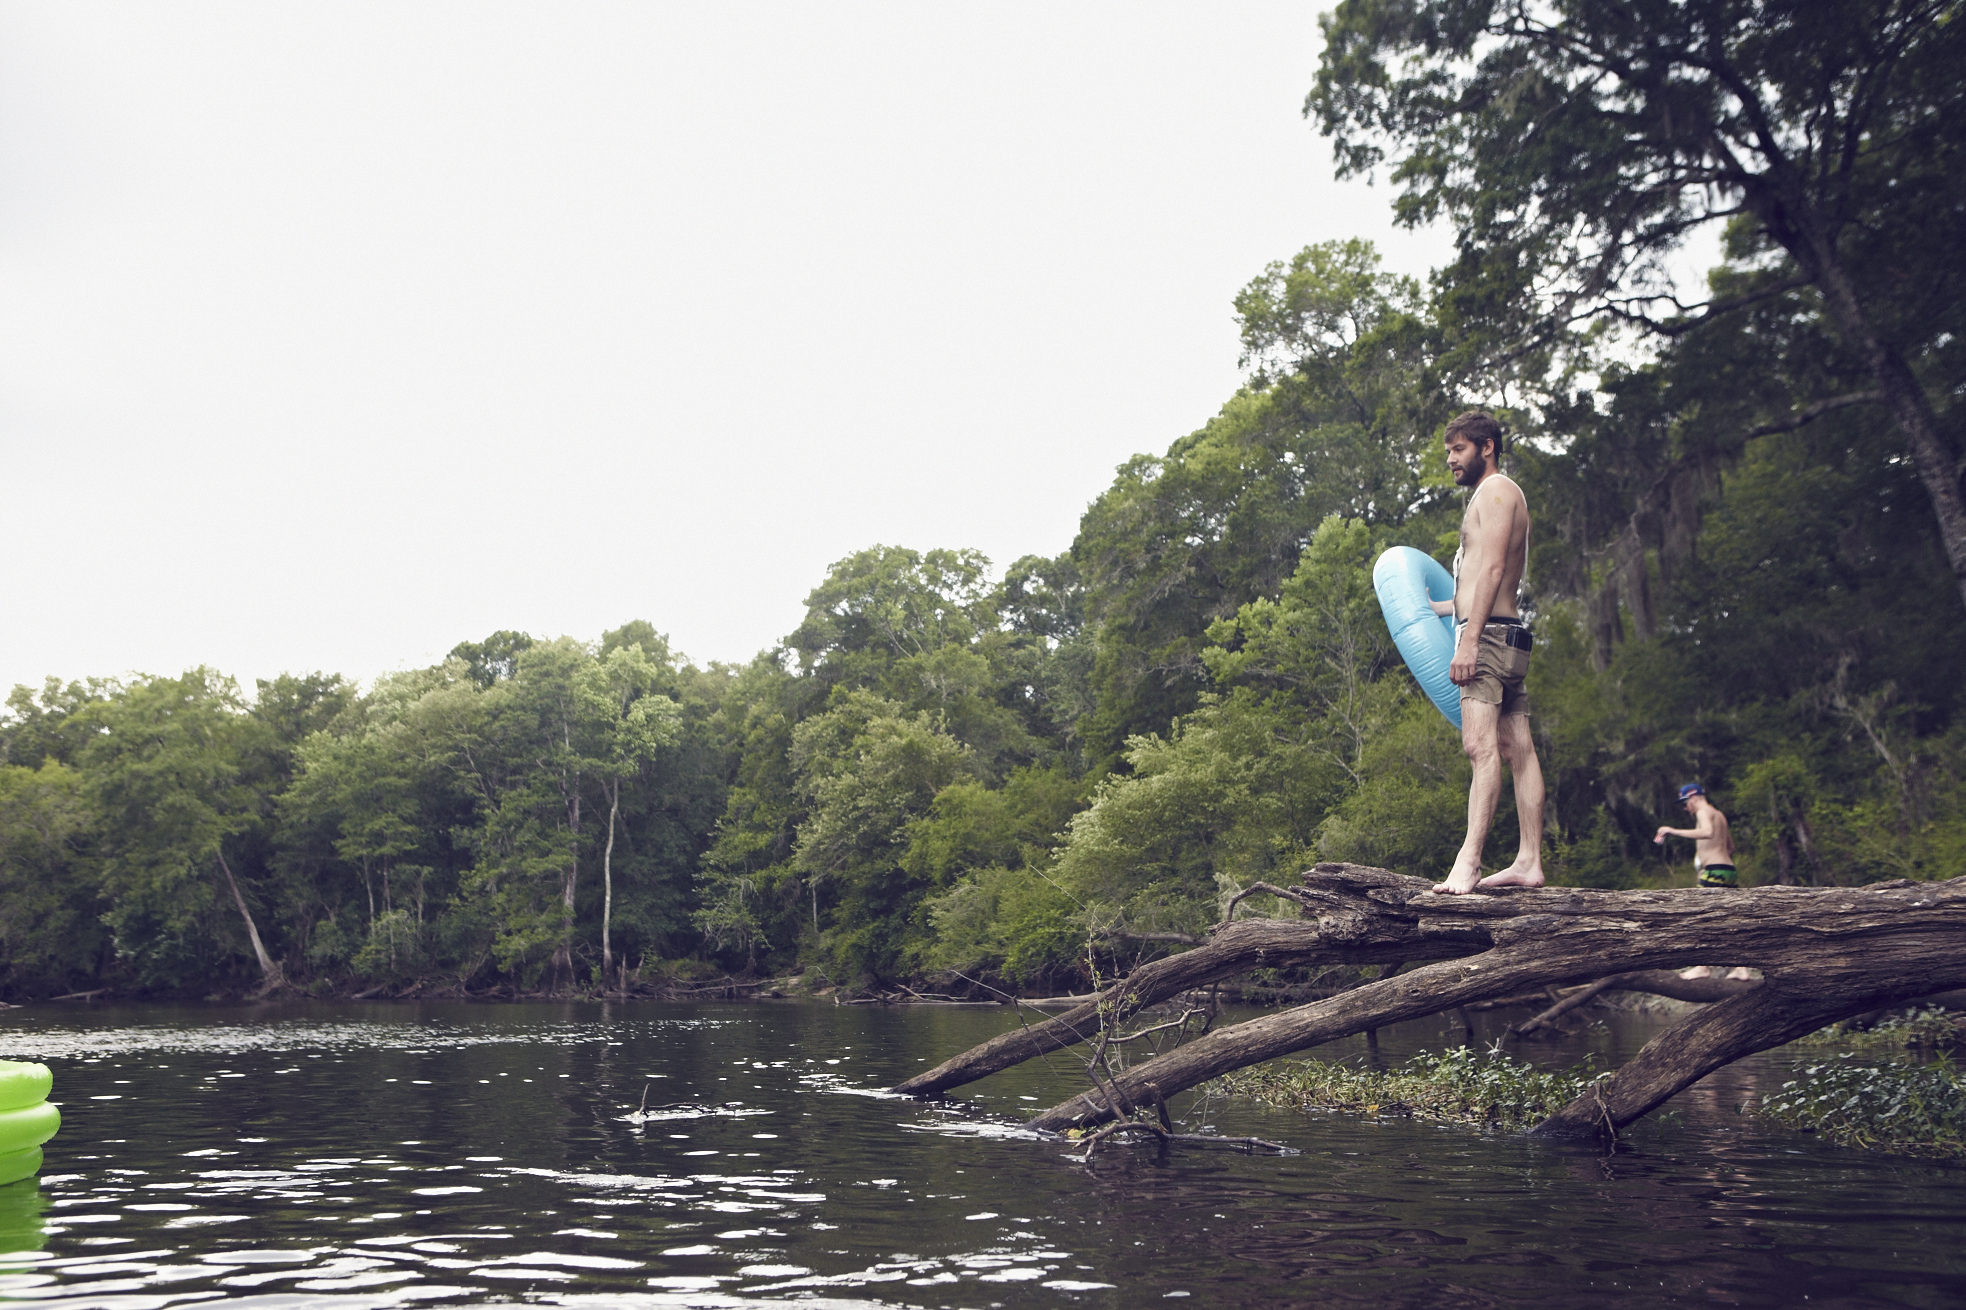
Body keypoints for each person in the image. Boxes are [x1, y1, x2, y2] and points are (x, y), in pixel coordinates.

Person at [1428, 410, 1546, 895]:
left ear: (1487, 447)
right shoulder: (1497, 495)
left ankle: (1469, 861)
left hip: (1490, 637)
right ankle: (1529, 862)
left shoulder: (1497, 491)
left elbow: (1494, 568)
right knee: (1518, 748)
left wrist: (1470, 640)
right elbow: (1477, 578)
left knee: (1479, 748)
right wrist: (1434, 608)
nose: (1452, 460)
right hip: (1507, 634)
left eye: (1458, 449)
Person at [1654, 782, 1738, 887]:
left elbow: (1708, 832)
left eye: (1685, 803)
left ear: (1694, 799)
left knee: (1698, 903)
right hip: (1729, 870)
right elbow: (1731, 848)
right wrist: (1707, 868)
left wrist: (1674, 831)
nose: (1685, 808)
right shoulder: (1719, 814)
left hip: (1715, 870)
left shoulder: (1702, 812)